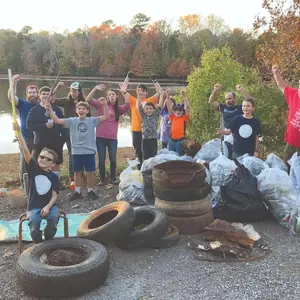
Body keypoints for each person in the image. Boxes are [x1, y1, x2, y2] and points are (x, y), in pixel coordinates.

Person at [46, 101, 108, 201]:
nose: (81, 110)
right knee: (77, 173)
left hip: (89, 151)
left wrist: (104, 104)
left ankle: (90, 191)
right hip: (76, 151)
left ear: (87, 111)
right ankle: (77, 191)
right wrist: (50, 110)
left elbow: (106, 116)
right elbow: (57, 120)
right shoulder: (72, 121)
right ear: (76, 111)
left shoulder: (92, 120)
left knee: (90, 173)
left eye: (83, 109)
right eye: (79, 108)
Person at [12, 121, 60, 244]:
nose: (43, 159)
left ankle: (48, 239)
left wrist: (48, 207)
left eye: (48, 159)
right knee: (34, 223)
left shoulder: (54, 177)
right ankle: (38, 243)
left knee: (54, 217)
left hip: (50, 206)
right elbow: (25, 150)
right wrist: (19, 134)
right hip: (34, 207)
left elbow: (55, 195)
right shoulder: (34, 170)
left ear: (53, 164)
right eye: (41, 157)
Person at [86, 83, 130, 185]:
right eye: (109, 94)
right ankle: (102, 179)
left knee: (113, 160)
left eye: (113, 94)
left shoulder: (119, 109)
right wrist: (95, 88)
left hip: (112, 139)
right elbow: (88, 100)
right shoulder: (100, 105)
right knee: (101, 160)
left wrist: (124, 91)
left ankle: (113, 178)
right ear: (107, 96)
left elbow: (128, 104)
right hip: (100, 138)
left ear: (116, 96)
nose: (111, 96)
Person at [121, 72, 161, 169]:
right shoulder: (133, 101)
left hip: (148, 132)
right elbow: (123, 90)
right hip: (136, 130)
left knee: (148, 152)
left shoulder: (150, 101)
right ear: (136, 91)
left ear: (146, 93)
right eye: (139, 90)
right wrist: (127, 77)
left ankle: (149, 169)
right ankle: (140, 170)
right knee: (138, 151)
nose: (141, 92)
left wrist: (155, 81)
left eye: (143, 91)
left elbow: (159, 93)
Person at [52, 81, 86, 184]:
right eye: (71, 90)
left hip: (81, 133)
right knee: (72, 155)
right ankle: (72, 177)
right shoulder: (66, 101)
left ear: (79, 92)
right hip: (69, 133)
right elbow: (51, 99)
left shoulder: (84, 103)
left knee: (82, 154)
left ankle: (81, 175)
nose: (73, 93)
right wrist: (57, 86)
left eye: (75, 91)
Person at [7, 74, 39, 187]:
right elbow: (11, 97)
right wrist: (14, 83)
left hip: (39, 138)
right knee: (25, 162)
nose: (32, 94)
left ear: (37, 94)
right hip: (25, 137)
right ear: (27, 94)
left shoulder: (41, 105)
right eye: (30, 92)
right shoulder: (22, 104)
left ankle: (36, 181)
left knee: (38, 160)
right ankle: (24, 184)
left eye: (34, 92)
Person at [26, 86, 65, 173]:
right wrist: (45, 125)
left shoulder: (56, 109)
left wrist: (63, 139)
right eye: (43, 94)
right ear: (39, 96)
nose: (45, 96)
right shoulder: (34, 110)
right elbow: (29, 125)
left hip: (56, 142)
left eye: (48, 94)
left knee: (56, 163)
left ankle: (56, 183)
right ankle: (42, 184)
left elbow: (63, 124)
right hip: (41, 142)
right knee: (40, 164)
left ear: (50, 96)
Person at [208, 84, 249, 157]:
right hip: (226, 136)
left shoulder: (240, 107)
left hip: (238, 136)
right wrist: (215, 91)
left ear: (234, 99)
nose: (227, 101)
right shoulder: (223, 107)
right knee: (226, 157)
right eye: (226, 99)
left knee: (238, 158)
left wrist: (242, 90)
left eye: (230, 98)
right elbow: (211, 101)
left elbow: (249, 101)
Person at [272, 64, 300, 164]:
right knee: (286, 168)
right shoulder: (293, 94)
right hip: (291, 142)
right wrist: (276, 74)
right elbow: (281, 85)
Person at [137, 88, 164, 160]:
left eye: (150, 108)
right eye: (147, 108)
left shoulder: (155, 115)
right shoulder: (143, 115)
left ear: (153, 109)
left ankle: (152, 170)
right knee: (145, 156)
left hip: (153, 139)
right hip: (145, 139)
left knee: (153, 157)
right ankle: (145, 170)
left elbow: (160, 105)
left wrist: (161, 95)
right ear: (144, 110)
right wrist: (139, 95)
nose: (148, 110)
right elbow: (139, 106)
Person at [166, 90, 190, 156]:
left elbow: (187, 107)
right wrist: (167, 97)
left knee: (179, 158)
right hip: (172, 141)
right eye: (176, 109)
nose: (178, 111)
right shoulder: (173, 117)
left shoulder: (184, 118)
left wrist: (184, 96)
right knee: (170, 157)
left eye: (180, 110)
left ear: (183, 112)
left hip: (180, 141)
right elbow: (168, 107)